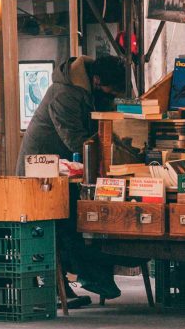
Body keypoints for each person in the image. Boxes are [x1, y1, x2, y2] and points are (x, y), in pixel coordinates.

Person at [16, 54, 127, 300]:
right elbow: (75, 138)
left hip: (65, 170)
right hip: (41, 171)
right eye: (111, 89)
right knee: (64, 224)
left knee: (75, 222)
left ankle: (90, 278)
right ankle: (69, 283)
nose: (112, 94)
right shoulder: (65, 94)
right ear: (97, 80)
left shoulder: (92, 91)